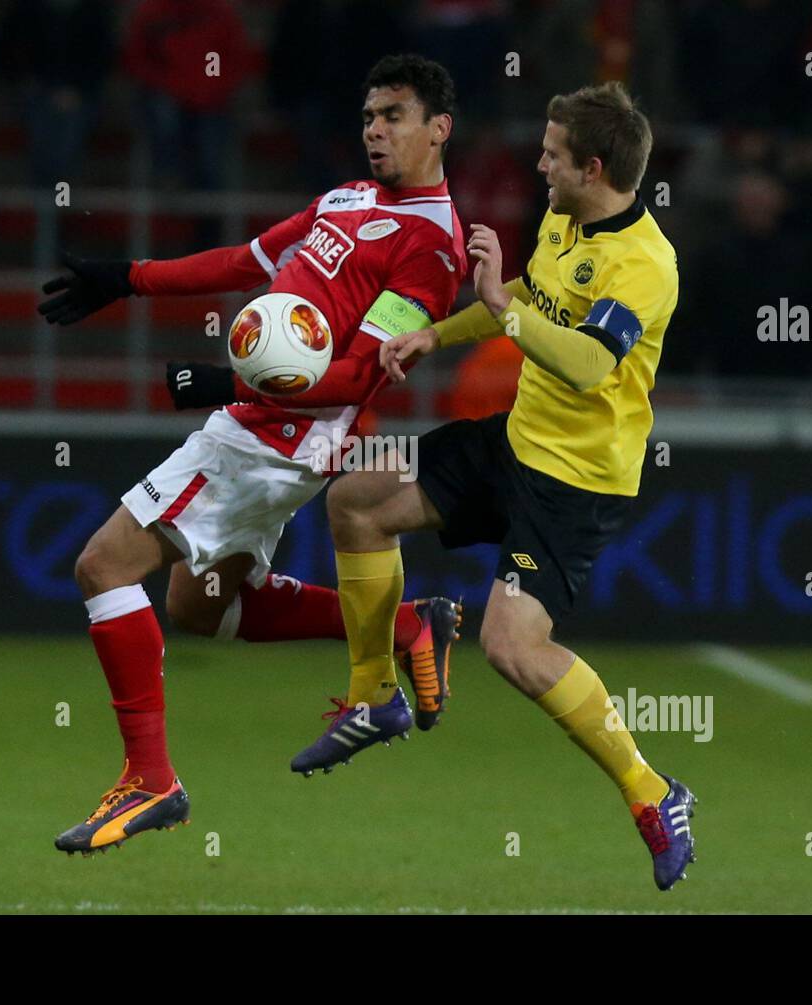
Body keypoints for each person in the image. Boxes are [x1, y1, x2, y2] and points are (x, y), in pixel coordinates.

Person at [35, 55, 467, 855]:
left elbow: (362, 373)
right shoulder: (344, 198)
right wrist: (127, 278)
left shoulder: (433, 249)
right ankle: (408, 623)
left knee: (101, 567)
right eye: (370, 114)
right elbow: (245, 261)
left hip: (279, 434)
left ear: (439, 128)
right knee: (197, 606)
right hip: (262, 425)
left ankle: (150, 781)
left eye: (395, 116)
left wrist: (224, 378)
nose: (375, 129)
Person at [299, 81, 697, 890]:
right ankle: (375, 695)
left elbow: (588, 363)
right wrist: (436, 335)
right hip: (514, 439)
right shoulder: (566, 215)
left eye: (553, 154)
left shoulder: (645, 264)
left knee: (512, 647)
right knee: (355, 502)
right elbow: (524, 297)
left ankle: (653, 792)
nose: (538, 162)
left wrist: (501, 312)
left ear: (593, 166)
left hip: (576, 482)